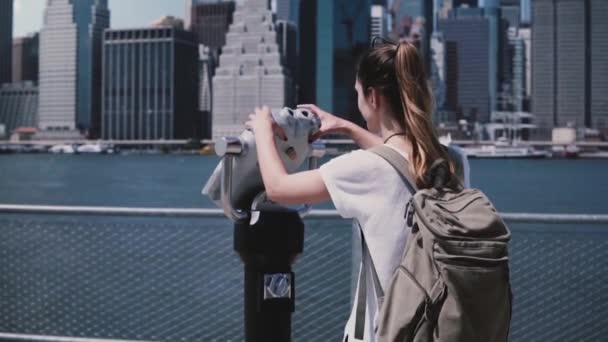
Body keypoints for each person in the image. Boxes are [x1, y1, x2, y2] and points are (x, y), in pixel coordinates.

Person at [245, 39, 467, 342]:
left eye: (358, 93)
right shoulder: (452, 161)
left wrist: (261, 129)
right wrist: (347, 127)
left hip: (383, 334)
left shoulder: (365, 168)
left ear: (372, 97)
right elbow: (401, 158)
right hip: (439, 330)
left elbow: (279, 188)